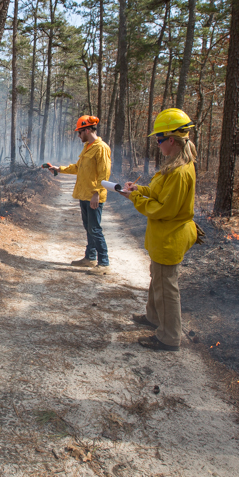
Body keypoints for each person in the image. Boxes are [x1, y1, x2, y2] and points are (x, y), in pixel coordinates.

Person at [120, 108, 198, 351]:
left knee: (166, 287)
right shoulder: (172, 166)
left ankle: (169, 337)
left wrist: (135, 200)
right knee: (158, 279)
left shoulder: (180, 171)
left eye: (159, 139)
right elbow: (156, 192)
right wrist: (137, 190)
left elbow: (163, 210)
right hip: (162, 237)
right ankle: (154, 318)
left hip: (170, 237)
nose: (157, 143)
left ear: (171, 140)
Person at [45, 115, 111, 270]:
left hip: (94, 196)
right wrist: (59, 169)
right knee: (89, 228)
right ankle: (90, 258)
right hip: (84, 195)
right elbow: (77, 167)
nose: (78, 135)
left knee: (95, 229)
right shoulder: (88, 147)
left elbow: (104, 174)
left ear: (87, 130)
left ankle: (104, 263)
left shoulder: (101, 148)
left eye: (80, 132)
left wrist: (97, 193)